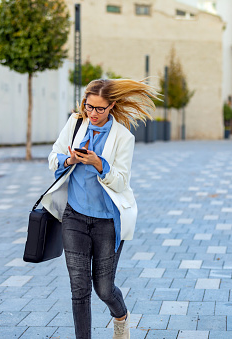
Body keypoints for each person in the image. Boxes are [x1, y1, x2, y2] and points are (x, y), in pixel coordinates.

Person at [41, 79, 158, 339]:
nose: (92, 113)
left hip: (107, 221)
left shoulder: (123, 137)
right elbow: (53, 159)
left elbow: (121, 181)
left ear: (111, 106)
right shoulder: (76, 124)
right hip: (75, 217)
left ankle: (121, 318)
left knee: (103, 289)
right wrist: (70, 159)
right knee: (79, 290)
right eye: (88, 106)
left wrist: (99, 164)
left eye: (99, 109)